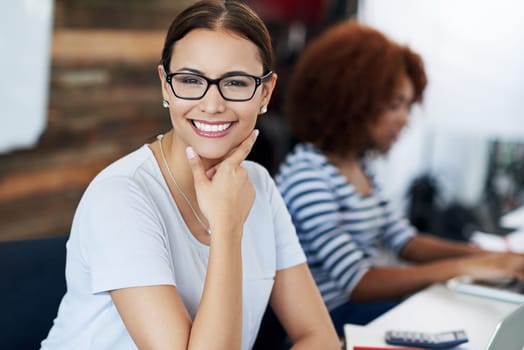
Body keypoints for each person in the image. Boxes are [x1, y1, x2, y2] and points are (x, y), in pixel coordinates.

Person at [40, 1, 340, 349]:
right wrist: (228, 227)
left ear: (266, 92)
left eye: (237, 82)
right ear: (166, 87)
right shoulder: (120, 197)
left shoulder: (259, 185)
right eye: (190, 80)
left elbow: (319, 337)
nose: (211, 104)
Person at [275, 20, 524, 336]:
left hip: (355, 311)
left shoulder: (356, 165)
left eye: (407, 105)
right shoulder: (308, 178)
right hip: (330, 321)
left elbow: (404, 240)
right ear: (350, 100)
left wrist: (495, 258)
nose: (405, 119)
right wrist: (466, 266)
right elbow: (357, 283)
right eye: (395, 105)